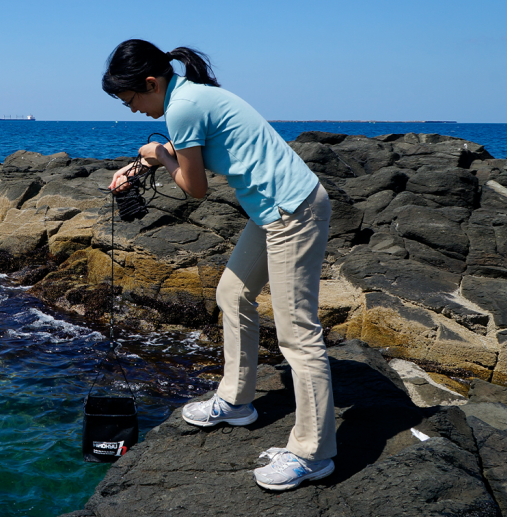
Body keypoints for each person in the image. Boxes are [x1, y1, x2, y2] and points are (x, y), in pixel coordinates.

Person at [103, 39, 336, 491]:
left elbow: (194, 188)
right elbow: (189, 147)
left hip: (292, 212)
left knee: (297, 335)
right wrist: (142, 163)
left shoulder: (183, 106)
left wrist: (157, 156)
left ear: (152, 83)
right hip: (271, 211)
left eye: (131, 100)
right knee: (231, 294)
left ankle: (313, 452)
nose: (132, 110)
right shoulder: (188, 96)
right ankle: (236, 400)